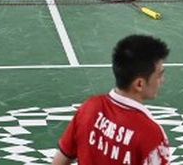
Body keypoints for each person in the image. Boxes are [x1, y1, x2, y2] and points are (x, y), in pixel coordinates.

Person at [51, 34, 171, 165]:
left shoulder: (89, 107)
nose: (162, 81)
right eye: (160, 75)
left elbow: (60, 161)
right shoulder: (151, 134)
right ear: (139, 84)